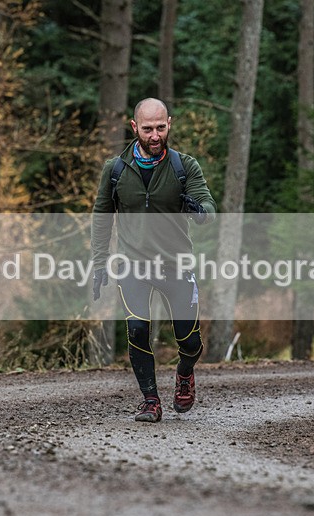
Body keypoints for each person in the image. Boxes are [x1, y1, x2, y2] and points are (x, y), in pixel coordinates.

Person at [91, 98, 217, 423]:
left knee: (189, 341)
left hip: (177, 264)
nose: (155, 135)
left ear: (169, 124)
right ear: (134, 128)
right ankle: (150, 400)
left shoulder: (184, 166)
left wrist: (199, 213)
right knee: (136, 329)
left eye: (161, 127)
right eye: (148, 129)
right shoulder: (115, 170)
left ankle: (185, 372)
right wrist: (99, 261)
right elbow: (102, 216)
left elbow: (208, 206)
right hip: (133, 265)